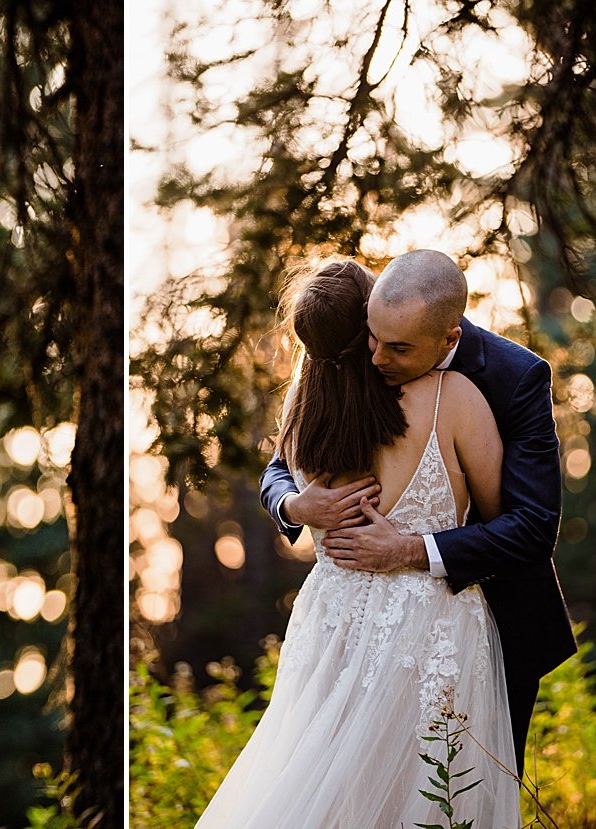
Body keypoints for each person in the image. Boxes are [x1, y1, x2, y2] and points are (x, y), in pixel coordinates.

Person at [199, 258, 518, 826]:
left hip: (331, 617)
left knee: (330, 787)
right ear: (370, 322)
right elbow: (500, 523)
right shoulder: (454, 401)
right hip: (432, 622)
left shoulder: (302, 416)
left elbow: (276, 469)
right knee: (429, 795)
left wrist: (297, 503)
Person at [260, 249, 574, 770]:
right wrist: (295, 503)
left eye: (398, 349)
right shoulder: (358, 348)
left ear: (447, 338)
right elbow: (280, 463)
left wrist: (406, 549)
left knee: (468, 788)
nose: (377, 358)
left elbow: (533, 527)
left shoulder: (512, 377)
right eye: (372, 339)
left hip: (487, 617)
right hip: (350, 622)